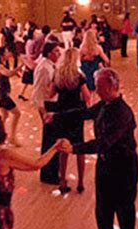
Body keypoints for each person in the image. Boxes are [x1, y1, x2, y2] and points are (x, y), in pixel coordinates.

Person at [51, 68, 138, 229]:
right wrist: (56, 116)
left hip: (123, 170)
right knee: (103, 213)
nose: (95, 90)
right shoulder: (105, 104)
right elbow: (84, 113)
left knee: (124, 215)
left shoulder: (122, 113)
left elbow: (103, 143)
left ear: (110, 87)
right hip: (105, 166)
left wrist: (73, 148)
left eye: (98, 86)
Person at [53, 48, 90, 194]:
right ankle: (80, 182)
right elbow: (87, 96)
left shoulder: (58, 75)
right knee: (79, 147)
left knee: (63, 148)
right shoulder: (79, 76)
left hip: (62, 113)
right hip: (76, 114)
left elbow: (50, 93)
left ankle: (62, 181)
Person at [32, 42, 62, 184]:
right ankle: (48, 174)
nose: (59, 54)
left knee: (52, 139)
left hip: (52, 104)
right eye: (56, 51)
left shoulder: (49, 65)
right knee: (50, 141)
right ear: (49, 53)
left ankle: (51, 172)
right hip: (47, 106)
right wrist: (44, 112)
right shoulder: (45, 68)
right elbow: (38, 92)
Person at [0, 46, 24, 147]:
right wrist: (21, 66)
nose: (9, 53)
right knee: (17, 114)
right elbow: (9, 73)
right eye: (7, 52)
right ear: (2, 54)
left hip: (1, 93)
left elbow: (9, 74)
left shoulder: (2, 64)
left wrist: (18, 73)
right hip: (2, 95)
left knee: (5, 115)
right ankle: (12, 138)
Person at [18, 22, 38, 101]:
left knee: (27, 80)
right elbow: (30, 54)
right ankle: (34, 96)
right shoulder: (31, 42)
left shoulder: (30, 41)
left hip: (29, 63)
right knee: (34, 80)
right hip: (31, 64)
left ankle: (21, 94)